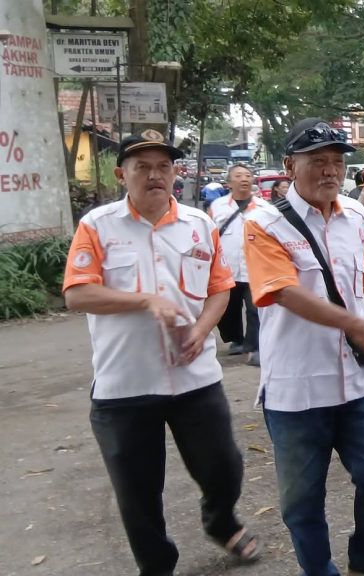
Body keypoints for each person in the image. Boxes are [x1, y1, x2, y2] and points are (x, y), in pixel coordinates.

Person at [62, 130, 260, 575]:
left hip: (196, 379)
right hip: (124, 386)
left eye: (163, 167)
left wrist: (203, 328)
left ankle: (220, 520)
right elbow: (77, 294)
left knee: (224, 468)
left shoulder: (199, 224)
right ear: (122, 174)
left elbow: (220, 290)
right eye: (143, 167)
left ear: (175, 173)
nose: (155, 175)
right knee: (138, 492)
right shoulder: (97, 226)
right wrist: (145, 301)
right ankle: (157, 566)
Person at [243, 118, 364, 576]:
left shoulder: (357, 217)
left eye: (337, 161)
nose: (329, 171)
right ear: (288, 166)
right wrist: (357, 326)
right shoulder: (264, 224)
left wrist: (360, 324)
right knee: (301, 501)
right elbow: (282, 291)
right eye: (316, 161)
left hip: (359, 382)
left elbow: (362, 282)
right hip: (296, 388)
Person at [209, 164, 268, 366]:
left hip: (255, 267)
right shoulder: (217, 206)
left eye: (247, 175)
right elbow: (210, 235)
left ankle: (254, 346)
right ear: (229, 182)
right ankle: (236, 339)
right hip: (227, 268)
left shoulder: (264, 208)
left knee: (255, 308)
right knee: (227, 309)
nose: (244, 178)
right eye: (238, 175)